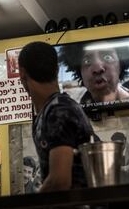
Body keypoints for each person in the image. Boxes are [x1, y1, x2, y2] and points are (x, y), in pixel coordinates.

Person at [18, 41, 94, 192]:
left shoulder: (59, 111)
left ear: (22, 74)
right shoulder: (51, 109)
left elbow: (59, 182)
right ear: (57, 70)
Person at [59, 41, 129, 105]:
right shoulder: (77, 111)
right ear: (80, 72)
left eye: (108, 57)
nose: (97, 69)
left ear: (121, 65)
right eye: (87, 61)